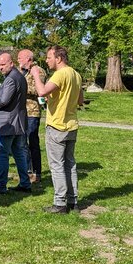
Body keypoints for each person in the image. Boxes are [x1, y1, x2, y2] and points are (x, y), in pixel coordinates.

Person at [30, 45, 84, 214]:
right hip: (71, 125)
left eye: (48, 57)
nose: (46, 60)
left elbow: (41, 91)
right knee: (70, 164)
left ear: (58, 58)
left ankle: (60, 203)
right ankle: (73, 201)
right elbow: (80, 100)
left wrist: (36, 75)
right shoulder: (76, 74)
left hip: (57, 126)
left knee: (57, 165)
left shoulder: (60, 74)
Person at [0, 52, 31, 194]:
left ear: (11, 63)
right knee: (19, 153)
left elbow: (3, 101)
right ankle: (25, 183)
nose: (0, 67)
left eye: (3, 64)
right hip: (18, 122)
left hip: (8, 123)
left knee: (1, 153)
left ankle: (0, 186)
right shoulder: (20, 77)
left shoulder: (11, 79)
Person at [17, 49, 47, 183]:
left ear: (28, 58)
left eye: (20, 58)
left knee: (32, 142)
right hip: (20, 112)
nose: (18, 60)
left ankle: (37, 172)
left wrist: (20, 87)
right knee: (22, 143)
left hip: (32, 112)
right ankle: (27, 171)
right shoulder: (20, 72)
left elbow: (39, 90)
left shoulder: (38, 71)